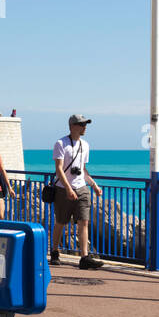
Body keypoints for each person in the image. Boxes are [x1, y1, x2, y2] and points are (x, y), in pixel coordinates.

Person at [52, 114, 105, 269]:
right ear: (72, 126)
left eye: (85, 124)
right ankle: (55, 252)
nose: (84, 127)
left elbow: (82, 169)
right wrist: (68, 188)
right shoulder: (61, 143)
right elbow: (59, 169)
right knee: (61, 222)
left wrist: (94, 185)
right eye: (82, 124)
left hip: (81, 188)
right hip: (63, 189)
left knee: (84, 222)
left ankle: (84, 257)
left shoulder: (85, 145)